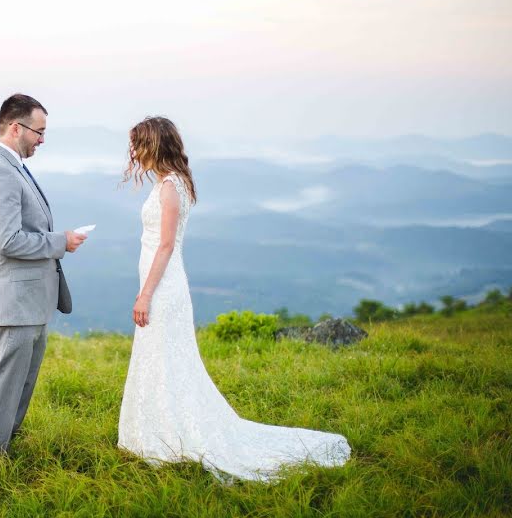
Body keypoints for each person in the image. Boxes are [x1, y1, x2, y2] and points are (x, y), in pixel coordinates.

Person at [117, 116, 351, 483]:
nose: (134, 153)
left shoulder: (168, 188)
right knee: (162, 359)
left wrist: (145, 294)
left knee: (165, 359)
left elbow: (164, 245)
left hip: (162, 287)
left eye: (139, 145)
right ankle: (159, 429)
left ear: (154, 145)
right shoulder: (172, 182)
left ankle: (168, 434)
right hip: (162, 282)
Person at [0, 93, 87, 467]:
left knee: (21, 385)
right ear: (15, 127)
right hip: (10, 304)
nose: (42, 139)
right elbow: (7, 241)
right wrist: (60, 242)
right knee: (3, 387)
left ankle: (2, 452)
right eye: (39, 131)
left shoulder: (12, 166)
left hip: (28, 303)